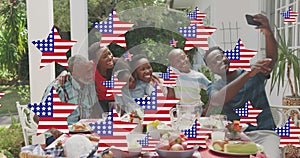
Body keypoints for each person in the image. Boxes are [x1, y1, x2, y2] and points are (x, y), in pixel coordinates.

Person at [204, 14, 280, 157]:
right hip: (234, 138)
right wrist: (248, 74)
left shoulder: (253, 73)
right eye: (213, 63)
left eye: (220, 57)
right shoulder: (214, 86)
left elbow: (271, 60)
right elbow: (217, 100)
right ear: (211, 69)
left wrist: (268, 33)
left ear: (226, 56)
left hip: (265, 134)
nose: (219, 63)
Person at [42, 54, 98, 124]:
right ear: (73, 74)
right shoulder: (59, 88)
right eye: (86, 73)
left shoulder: (91, 85)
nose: (90, 75)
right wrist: (55, 131)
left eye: (90, 70)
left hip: (84, 130)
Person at [89, 43, 115, 113]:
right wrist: (63, 73)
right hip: (100, 104)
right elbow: (75, 71)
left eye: (109, 53)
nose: (110, 57)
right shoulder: (91, 67)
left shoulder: (117, 64)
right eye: (104, 57)